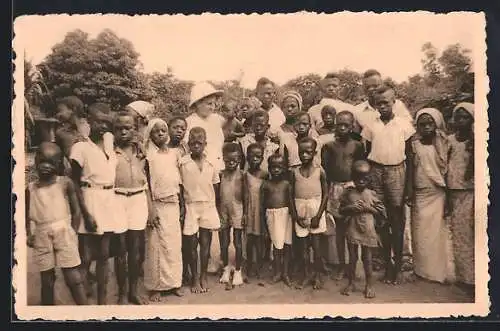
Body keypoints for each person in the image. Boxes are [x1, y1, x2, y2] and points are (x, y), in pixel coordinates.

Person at [361, 84, 415, 285]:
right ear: (375, 105)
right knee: (380, 218)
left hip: (397, 171)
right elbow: (366, 155)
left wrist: (408, 186)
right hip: (376, 172)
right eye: (379, 103)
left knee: (397, 218)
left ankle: (399, 263)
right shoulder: (371, 126)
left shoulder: (404, 125)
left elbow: (410, 156)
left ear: (394, 102)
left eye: (386, 102)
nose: (383, 106)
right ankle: (387, 264)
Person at [26, 142, 88, 305]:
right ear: (35, 162)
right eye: (41, 162)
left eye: (51, 162)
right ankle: (47, 315)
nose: (45, 167)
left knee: (73, 276)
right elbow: (27, 214)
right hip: (41, 233)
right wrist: (29, 234)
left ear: (59, 164)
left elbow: (76, 211)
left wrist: (73, 232)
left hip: (63, 231)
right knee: (47, 280)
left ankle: (88, 313)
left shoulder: (64, 183)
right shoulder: (31, 188)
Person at [69, 104, 118, 305]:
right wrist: (86, 214)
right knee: (87, 255)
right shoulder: (80, 147)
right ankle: (82, 301)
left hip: (108, 199)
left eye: (106, 122)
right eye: (98, 121)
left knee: (105, 254)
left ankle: (102, 299)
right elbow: (74, 181)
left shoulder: (110, 145)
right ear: (89, 121)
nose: (102, 126)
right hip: (90, 198)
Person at [142, 118, 186, 302]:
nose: (161, 134)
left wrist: (182, 203)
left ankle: (174, 283)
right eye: (156, 131)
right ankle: (156, 287)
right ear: (150, 135)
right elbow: (146, 185)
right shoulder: (147, 156)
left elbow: (180, 181)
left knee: (173, 246)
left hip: (173, 204)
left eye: (163, 131)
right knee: (155, 247)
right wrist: (150, 209)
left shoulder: (174, 154)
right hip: (157, 204)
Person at [321, 110, 365, 280]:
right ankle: (340, 265)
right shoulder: (329, 147)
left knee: (353, 228)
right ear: (335, 126)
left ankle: (353, 265)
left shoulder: (357, 145)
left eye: (347, 125)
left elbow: (362, 167)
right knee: (339, 229)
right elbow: (325, 171)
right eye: (339, 124)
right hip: (335, 189)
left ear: (352, 126)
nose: (343, 128)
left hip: (352, 189)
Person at [407, 108, 450, 284]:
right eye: (422, 124)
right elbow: (411, 169)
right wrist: (409, 190)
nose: (426, 127)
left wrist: (448, 197)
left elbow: (447, 171)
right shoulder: (413, 144)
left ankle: (435, 272)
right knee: (419, 233)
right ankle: (420, 270)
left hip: (437, 193)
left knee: (435, 233)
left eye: (429, 123)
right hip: (419, 192)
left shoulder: (444, 142)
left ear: (436, 124)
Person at [112, 112, 151, 305]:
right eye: (119, 128)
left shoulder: (141, 151)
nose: (124, 132)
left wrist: (151, 208)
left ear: (134, 130)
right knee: (120, 250)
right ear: (114, 131)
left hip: (138, 199)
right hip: (117, 199)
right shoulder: (108, 151)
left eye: (128, 128)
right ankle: (121, 293)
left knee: (136, 250)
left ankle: (133, 291)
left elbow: (148, 181)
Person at [180, 127, 221, 293]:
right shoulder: (183, 162)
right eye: (193, 142)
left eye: (200, 141)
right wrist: (182, 207)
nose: (196, 144)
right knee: (190, 245)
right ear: (188, 144)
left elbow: (216, 186)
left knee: (206, 243)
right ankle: (194, 277)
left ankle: (203, 275)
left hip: (208, 205)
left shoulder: (212, 162)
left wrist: (216, 207)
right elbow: (180, 187)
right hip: (191, 205)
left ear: (205, 143)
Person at [340, 160, 387, 299]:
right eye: (357, 178)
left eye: (364, 178)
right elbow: (341, 210)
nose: (361, 181)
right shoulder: (348, 193)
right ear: (352, 178)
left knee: (367, 258)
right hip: (352, 228)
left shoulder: (371, 194)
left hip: (367, 229)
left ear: (369, 179)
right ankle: (351, 282)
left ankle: (369, 285)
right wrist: (351, 208)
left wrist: (368, 208)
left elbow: (381, 212)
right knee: (353, 258)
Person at [292, 138, 328, 290]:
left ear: (315, 152)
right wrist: (295, 216)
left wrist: (318, 216)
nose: (305, 155)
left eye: (308, 152)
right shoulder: (294, 172)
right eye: (302, 152)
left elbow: (326, 194)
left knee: (317, 247)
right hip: (300, 211)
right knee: (304, 247)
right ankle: (307, 275)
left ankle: (318, 275)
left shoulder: (320, 171)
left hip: (315, 210)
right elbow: (290, 196)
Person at [447, 102, 475, 293]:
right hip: (453, 191)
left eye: (465, 117)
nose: (461, 121)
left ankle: (474, 278)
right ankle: (464, 277)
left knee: (471, 235)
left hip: (471, 192)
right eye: (458, 117)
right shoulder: (450, 140)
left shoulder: (476, 141)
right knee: (459, 235)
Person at [261, 154, 298, 286]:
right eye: (273, 167)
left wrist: (295, 218)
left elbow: (291, 202)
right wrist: (263, 225)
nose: (276, 170)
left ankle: (285, 272)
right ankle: (277, 272)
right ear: (269, 168)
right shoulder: (265, 185)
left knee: (287, 244)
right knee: (277, 246)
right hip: (272, 216)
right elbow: (262, 205)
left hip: (286, 215)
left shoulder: (286, 184)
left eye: (279, 167)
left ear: (284, 168)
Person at [218, 143, 245, 286]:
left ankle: (238, 270)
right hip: (223, 210)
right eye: (228, 160)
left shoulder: (242, 175)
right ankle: (226, 268)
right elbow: (217, 195)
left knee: (238, 242)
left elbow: (246, 196)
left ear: (239, 159)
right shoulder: (221, 174)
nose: (231, 163)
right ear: (223, 159)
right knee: (224, 242)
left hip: (238, 209)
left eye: (234, 160)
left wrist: (245, 213)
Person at [185, 81, 226, 172]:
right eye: (209, 104)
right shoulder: (189, 122)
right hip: (200, 170)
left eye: (214, 104)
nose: (212, 107)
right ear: (198, 104)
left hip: (219, 168)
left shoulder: (217, 119)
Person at [243, 143, 268, 279]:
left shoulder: (265, 174)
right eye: (252, 156)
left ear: (262, 158)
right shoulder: (245, 175)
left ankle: (259, 265)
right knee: (250, 238)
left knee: (259, 239)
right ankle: (249, 266)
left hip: (260, 210)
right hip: (249, 209)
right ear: (247, 157)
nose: (255, 159)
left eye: (258, 156)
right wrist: (245, 213)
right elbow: (245, 194)